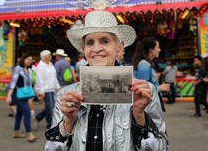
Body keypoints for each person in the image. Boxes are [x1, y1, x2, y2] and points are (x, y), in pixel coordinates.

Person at [44, 10, 168, 150]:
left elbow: (161, 148)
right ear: (84, 49)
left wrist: (139, 117)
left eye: (105, 41)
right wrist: (68, 123)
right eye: (90, 42)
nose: (96, 49)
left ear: (119, 46)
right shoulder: (65, 96)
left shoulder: (144, 92)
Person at [132, 37, 170, 112]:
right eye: (158, 47)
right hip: (148, 107)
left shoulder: (147, 64)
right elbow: (142, 90)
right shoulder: (144, 65)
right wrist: (160, 88)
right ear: (151, 50)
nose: (160, 50)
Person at [6, 54, 36, 142]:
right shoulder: (17, 69)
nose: (30, 61)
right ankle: (29, 134)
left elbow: (29, 83)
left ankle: (16, 132)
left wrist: (36, 90)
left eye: (31, 60)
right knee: (27, 112)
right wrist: (8, 96)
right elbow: (12, 83)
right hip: (17, 95)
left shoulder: (28, 70)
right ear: (23, 60)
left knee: (19, 113)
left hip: (24, 94)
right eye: (28, 59)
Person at [34, 50, 60, 130]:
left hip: (52, 88)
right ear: (45, 57)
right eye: (49, 55)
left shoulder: (51, 65)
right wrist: (41, 91)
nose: (51, 56)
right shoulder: (40, 66)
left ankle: (38, 117)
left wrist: (57, 86)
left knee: (50, 107)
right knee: (50, 107)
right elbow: (39, 79)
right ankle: (49, 124)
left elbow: (54, 77)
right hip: (45, 89)